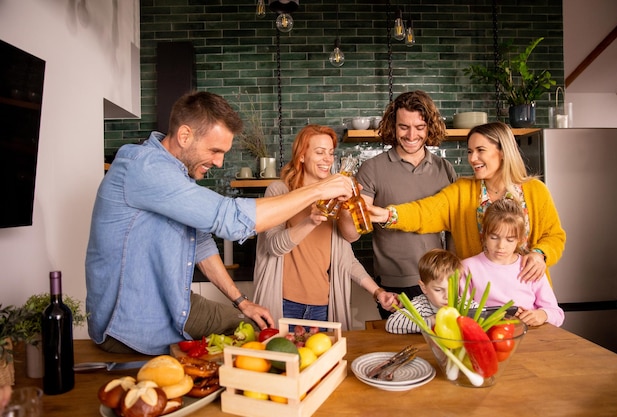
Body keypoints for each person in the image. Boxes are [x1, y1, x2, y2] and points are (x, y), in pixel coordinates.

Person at [85, 92, 353, 355]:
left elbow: (201, 242)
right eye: (215, 150)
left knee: (255, 327)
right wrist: (319, 190)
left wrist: (241, 301)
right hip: (134, 321)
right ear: (185, 136)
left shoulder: (175, 173)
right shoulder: (145, 168)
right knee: (249, 348)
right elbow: (231, 220)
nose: (219, 161)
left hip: (176, 301)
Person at [368, 121, 566, 285]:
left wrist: (541, 254)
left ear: (503, 152)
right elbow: (425, 212)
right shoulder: (462, 191)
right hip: (478, 295)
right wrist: (388, 215)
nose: (473, 158)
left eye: (480, 150)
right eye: (470, 151)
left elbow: (554, 236)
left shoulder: (535, 190)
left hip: (527, 293)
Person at [253, 125, 397, 329]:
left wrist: (378, 292)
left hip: (323, 308)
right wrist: (310, 221)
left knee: (327, 361)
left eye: (330, 153)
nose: (328, 159)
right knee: (283, 360)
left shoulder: (334, 199)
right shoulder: (279, 191)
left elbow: (347, 258)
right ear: (301, 156)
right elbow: (275, 246)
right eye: (319, 152)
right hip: (284, 305)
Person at [340, 90, 457, 319]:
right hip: (396, 286)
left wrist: (454, 276)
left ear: (429, 127)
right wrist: (346, 207)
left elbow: (453, 230)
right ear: (393, 127)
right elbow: (351, 234)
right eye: (404, 127)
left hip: (440, 283)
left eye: (420, 127)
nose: (411, 135)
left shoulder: (445, 169)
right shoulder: (372, 169)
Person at [461, 198, 564, 327]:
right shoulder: (468, 268)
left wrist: (542, 314)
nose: (501, 246)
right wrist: (499, 315)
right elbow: (460, 313)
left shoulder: (531, 267)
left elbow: (557, 314)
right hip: (487, 338)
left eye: (510, 240)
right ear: (484, 234)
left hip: (531, 337)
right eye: (494, 237)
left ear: (520, 239)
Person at [386, 249, 477, 334]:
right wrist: (431, 321)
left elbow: (486, 314)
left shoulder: (463, 304)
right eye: (438, 290)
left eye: (453, 289)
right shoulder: (421, 305)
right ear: (424, 287)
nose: (447, 296)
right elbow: (392, 323)